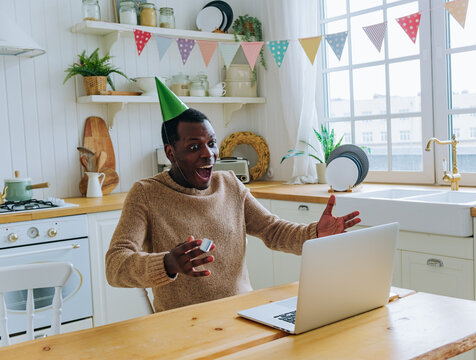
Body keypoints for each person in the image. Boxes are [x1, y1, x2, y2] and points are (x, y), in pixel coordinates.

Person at [105, 78, 361, 312]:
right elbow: (115, 266)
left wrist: (316, 233)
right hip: (182, 323)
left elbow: (273, 230)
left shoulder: (229, 184)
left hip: (243, 312)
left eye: (212, 143)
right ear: (171, 153)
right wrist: (169, 263)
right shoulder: (146, 194)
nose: (208, 154)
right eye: (194, 147)